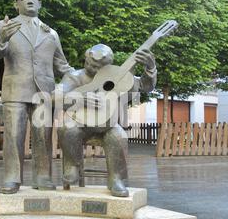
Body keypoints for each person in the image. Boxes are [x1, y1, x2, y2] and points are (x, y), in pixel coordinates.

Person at [0, 0, 73, 194]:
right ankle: (12, 178)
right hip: (16, 89)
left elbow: (64, 67)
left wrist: (68, 84)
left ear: (40, 3)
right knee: (14, 135)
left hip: (44, 93)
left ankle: (43, 177)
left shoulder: (51, 33)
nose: (30, 2)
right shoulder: (5, 26)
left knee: (43, 136)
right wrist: (2, 38)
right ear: (16, 3)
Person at [55, 44, 156, 197]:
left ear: (107, 67)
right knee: (66, 128)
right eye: (88, 63)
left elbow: (144, 86)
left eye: (96, 67)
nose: (90, 67)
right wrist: (80, 98)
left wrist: (150, 68)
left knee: (119, 136)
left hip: (107, 126)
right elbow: (55, 96)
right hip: (81, 125)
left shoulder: (117, 77)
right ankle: (72, 165)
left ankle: (116, 179)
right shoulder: (74, 76)